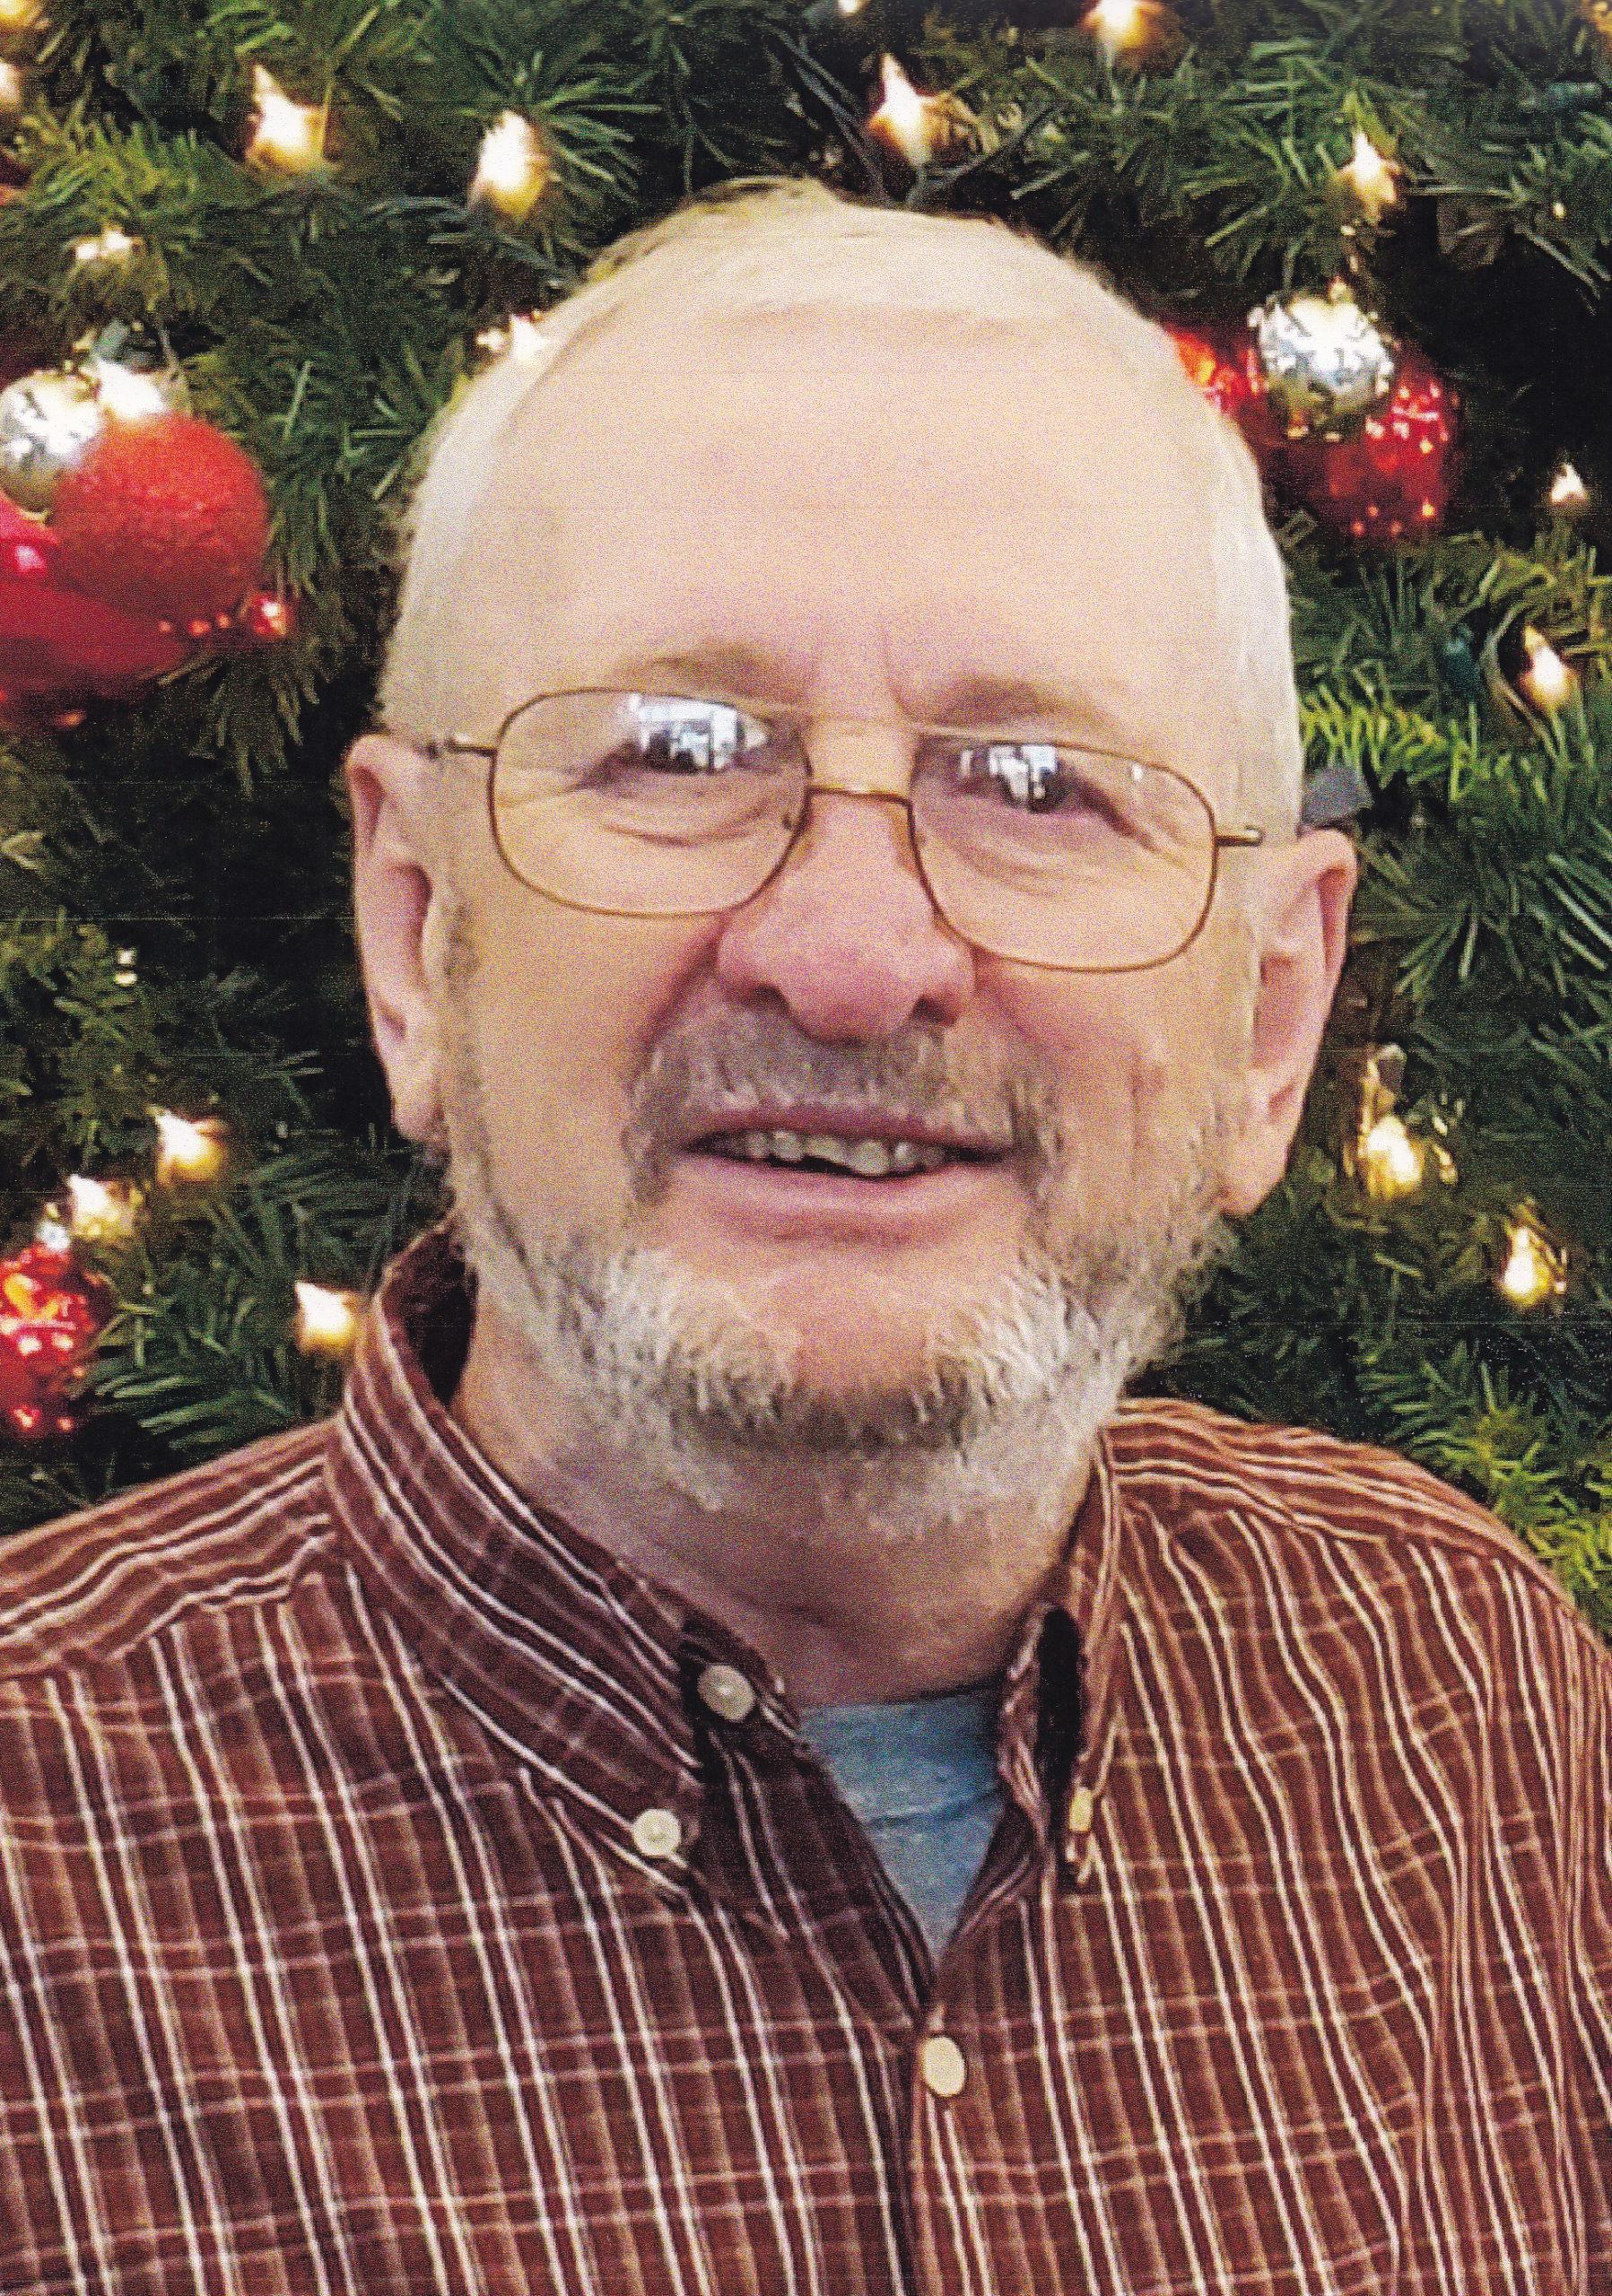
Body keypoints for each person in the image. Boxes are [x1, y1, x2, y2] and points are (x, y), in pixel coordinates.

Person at [0, 175, 1607, 2296]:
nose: (849, 955)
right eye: (677, 752)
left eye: (1035, 782)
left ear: (1266, 1019)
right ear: (414, 933)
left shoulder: (1466, 1699)